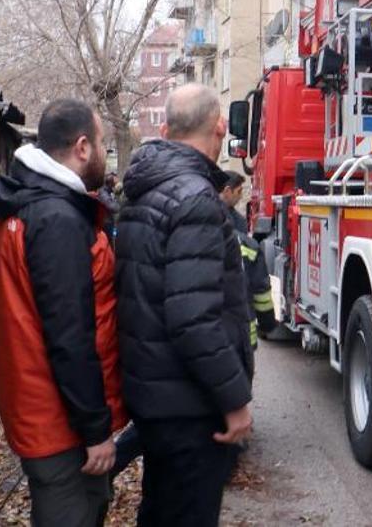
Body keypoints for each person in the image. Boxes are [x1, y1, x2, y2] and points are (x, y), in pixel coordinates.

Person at [0, 99, 126, 527]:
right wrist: (96, 431)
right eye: (102, 142)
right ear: (82, 147)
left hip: (39, 411)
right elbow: (70, 337)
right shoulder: (57, 218)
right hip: (59, 426)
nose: (104, 152)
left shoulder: (22, 202)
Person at [116, 84, 253, 527]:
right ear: (220, 127)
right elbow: (193, 319)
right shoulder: (196, 198)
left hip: (156, 400)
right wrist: (234, 401)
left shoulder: (143, 190)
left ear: (165, 128)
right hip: (190, 409)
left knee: (159, 511)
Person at [217, 174, 276, 352]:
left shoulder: (199, 222)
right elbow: (260, 288)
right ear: (227, 191)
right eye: (239, 191)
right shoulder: (243, 237)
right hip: (240, 336)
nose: (242, 196)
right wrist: (267, 324)